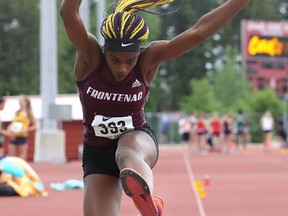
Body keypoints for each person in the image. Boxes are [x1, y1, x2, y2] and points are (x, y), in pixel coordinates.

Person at [59, 0, 250, 215]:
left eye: (130, 60)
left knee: (126, 152)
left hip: (137, 140)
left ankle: (147, 199)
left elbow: (198, 31)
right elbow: (68, 12)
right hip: (97, 150)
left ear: (138, 54)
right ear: (104, 52)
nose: (123, 68)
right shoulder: (90, 56)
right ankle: (149, 202)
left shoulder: (148, 59)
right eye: (115, 60)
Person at [7, 95, 37, 160]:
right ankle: (13, 169)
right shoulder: (17, 112)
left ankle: (21, 169)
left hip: (22, 136)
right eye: (19, 101)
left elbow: (35, 125)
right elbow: (13, 122)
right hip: (14, 135)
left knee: (22, 156)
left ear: (26, 102)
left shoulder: (29, 113)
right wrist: (9, 130)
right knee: (12, 156)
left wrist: (26, 130)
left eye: (21, 101)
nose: (20, 102)